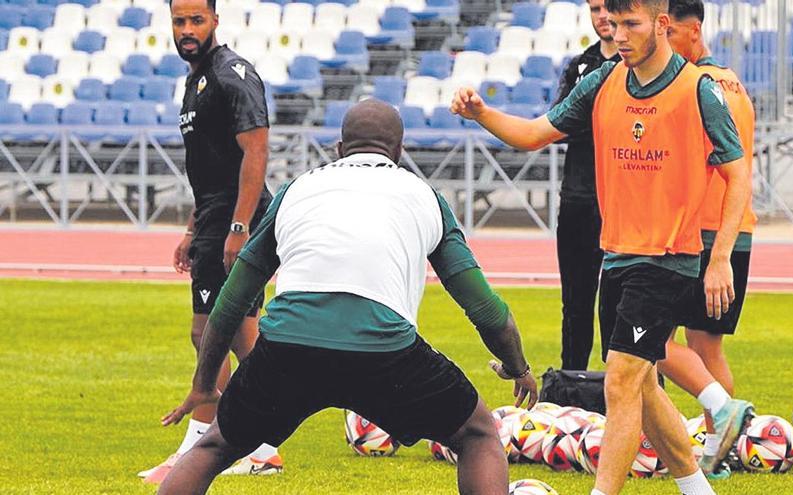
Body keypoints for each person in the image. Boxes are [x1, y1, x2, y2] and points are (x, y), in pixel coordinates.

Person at [156, 99, 539, 495]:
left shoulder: (296, 190)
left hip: (289, 350)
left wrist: (204, 384)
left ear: (339, 149)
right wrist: (518, 367)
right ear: (399, 152)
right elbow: (485, 310)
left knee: (215, 446)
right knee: (477, 435)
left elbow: (231, 301)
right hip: (385, 353)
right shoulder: (424, 196)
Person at [450, 0, 754, 492]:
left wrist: (719, 258)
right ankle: (698, 487)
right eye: (614, 25)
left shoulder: (699, 89)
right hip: (616, 257)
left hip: (667, 260)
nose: (620, 35)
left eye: (631, 24)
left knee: (619, 380)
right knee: (644, 388)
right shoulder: (603, 80)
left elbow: (738, 173)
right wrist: (481, 112)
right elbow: (532, 135)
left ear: (661, 24)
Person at [138, 0, 279, 483]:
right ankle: (263, 443)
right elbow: (211, 166)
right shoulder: (195, 79)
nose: (187, 29)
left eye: (197, 20)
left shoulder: (231, 73)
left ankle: (199, 447)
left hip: (237, 219)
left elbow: (255, 150)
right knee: (235, 334)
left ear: (215, 20)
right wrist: (192, 229)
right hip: (216, 218)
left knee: (211, 332)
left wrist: (239, 227)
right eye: (179, 21)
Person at [657, 0, 758, 478]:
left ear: (692, 31)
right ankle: (720, 446)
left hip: (703, 232)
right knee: (706, 346)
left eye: (669, 33)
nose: (664, 45)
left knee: (644, 339)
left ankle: (720, 414)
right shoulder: (733, 82)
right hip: (734, 229)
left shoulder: (698, 87)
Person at [554, 0, 621, 371]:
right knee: (576, 302)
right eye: (595, 9)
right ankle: (572, 390)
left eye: (608, 8)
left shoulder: (640, 67)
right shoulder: (579, 66)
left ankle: (627, 391)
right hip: (579, 197)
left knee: (619, 304)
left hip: (623, 204)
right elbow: (557, 124)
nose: (602, 17)